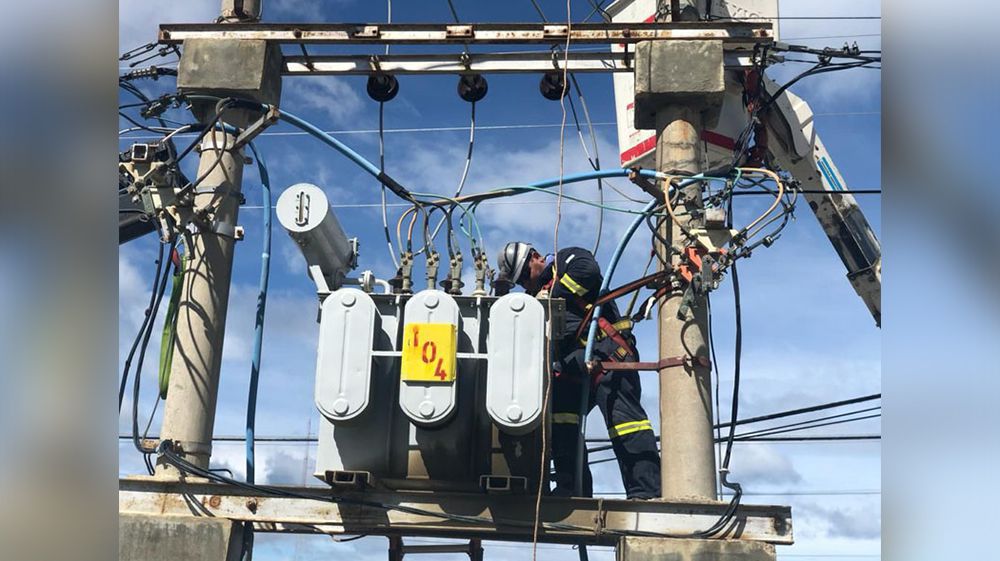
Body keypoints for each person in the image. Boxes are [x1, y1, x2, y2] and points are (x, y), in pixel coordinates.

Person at [495, 242, 660, 499]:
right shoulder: (533, 301)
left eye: (526, 276)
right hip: (572, 368)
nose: (526, 285)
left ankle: (646, 492)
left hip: (607, 356)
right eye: (520, 282)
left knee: (626, 423)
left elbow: (588, 271)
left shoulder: (567, 259)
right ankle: (572, 489)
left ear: (536, 257)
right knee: (560, 420)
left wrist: (552, 295)